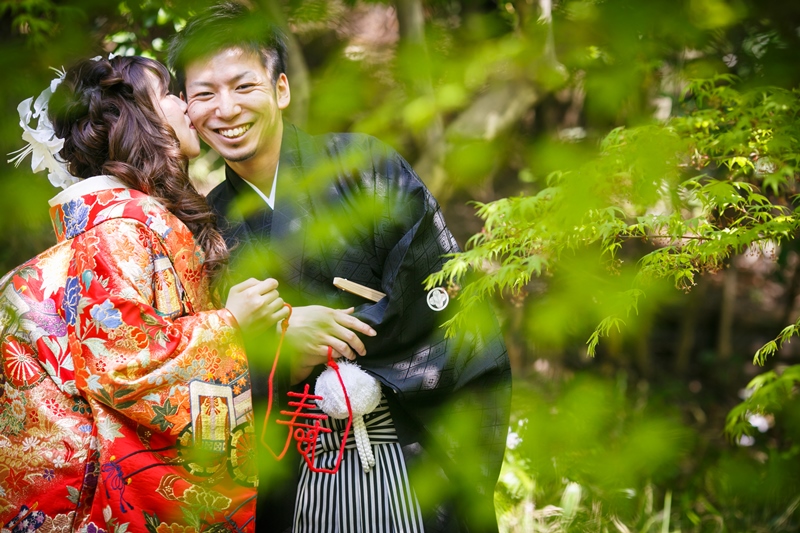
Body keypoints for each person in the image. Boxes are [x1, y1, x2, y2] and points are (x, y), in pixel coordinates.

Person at [168, 2, 512, 532]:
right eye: (205, 94)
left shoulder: (364, 168)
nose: (227, 109)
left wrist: (327, 340)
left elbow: (437, 290)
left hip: (403, 452)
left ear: (281, 89)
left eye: (244, 85)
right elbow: (198, 365)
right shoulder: (203, 226)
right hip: (296, 472)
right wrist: (277, 350)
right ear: (186, 109)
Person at [0, 55, 288, 532]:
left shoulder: (128, 223)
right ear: (138, 119)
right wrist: (229, 325)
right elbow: (121, 363)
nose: (185, 104)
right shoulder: (119, 231)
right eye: (169, 93)